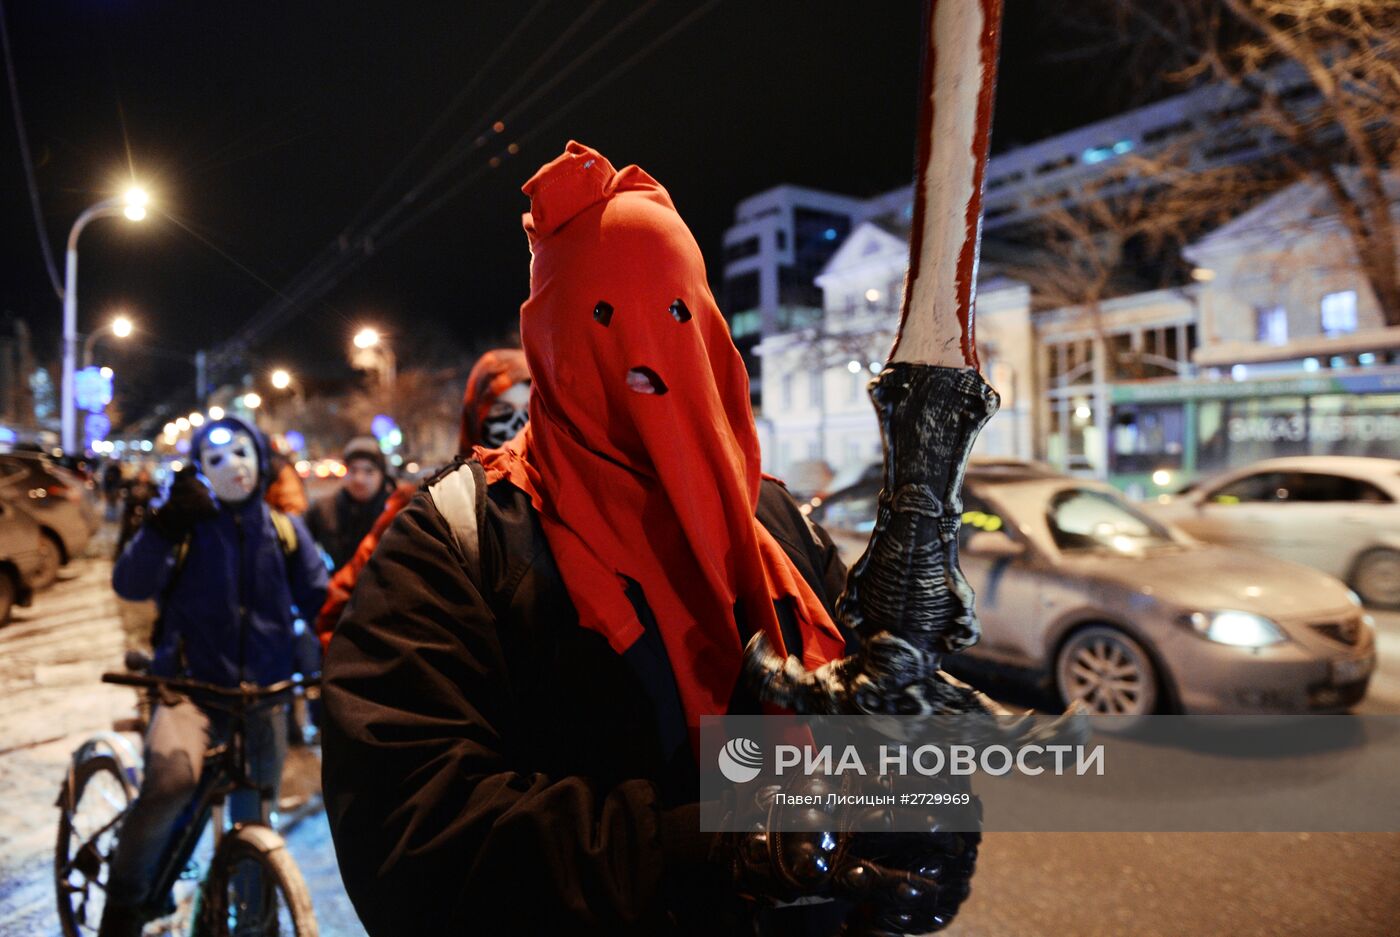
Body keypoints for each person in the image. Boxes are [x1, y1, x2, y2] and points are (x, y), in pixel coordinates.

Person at [322, 144, 970, 936]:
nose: (642, 359)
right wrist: (707, 848)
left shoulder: (779, 525)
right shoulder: (455, 542)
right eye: (601, 318)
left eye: (673, 315)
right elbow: (409, 834)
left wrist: (918, 817)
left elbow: (881, 739)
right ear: (549, 343)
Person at [101, 416, 328, 937]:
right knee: (171, 785)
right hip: (191, 692)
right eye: (216, 458)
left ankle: (253, 922)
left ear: (262, 461)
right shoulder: (185, 527)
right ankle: (124, 905)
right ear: (200, 469)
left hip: (263, 697)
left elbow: (322, 600)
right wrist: (164, 525)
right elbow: (130, 584)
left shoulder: (285, 530)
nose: (234, 466)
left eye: (243, 452)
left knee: (255, 814)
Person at [312, 347, 529, 651]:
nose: (519, 428)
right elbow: (346, 598)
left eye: (531, 412)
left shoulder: (569, 504)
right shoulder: (435, 500)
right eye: (502, 412)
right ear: (476, 415)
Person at [306, 436, 392, 570]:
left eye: (369, 471)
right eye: (353, 470)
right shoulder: (322, 510)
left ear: (382, 475)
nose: (359, 479)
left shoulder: (395, 513)